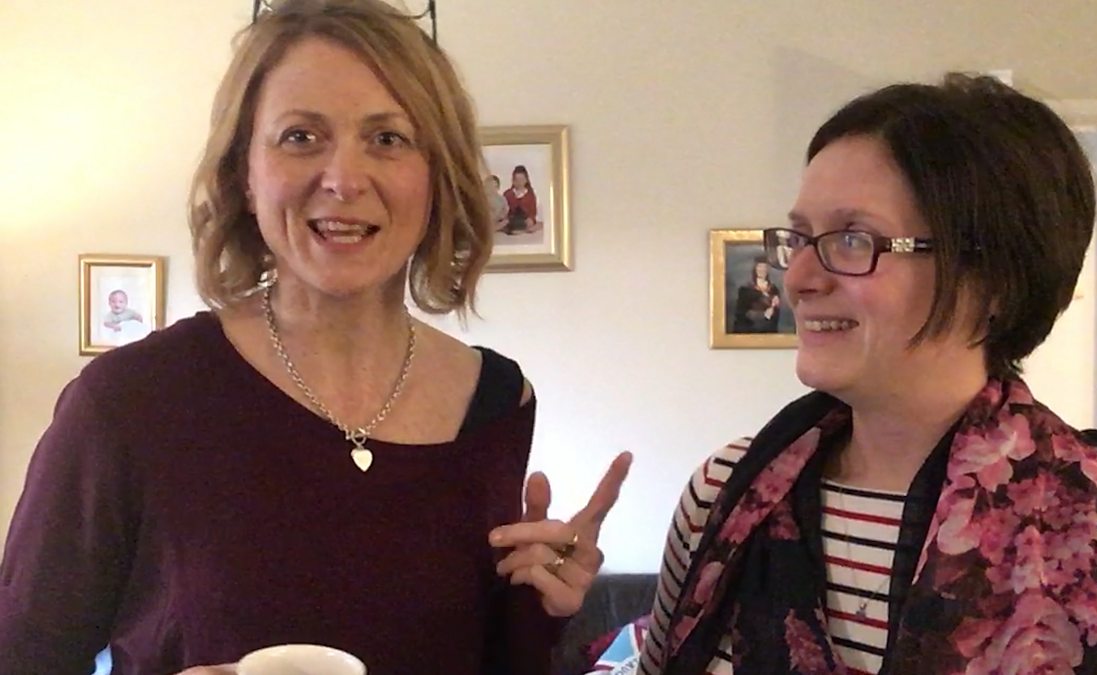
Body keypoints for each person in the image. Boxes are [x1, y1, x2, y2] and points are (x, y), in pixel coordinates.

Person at [0, 1, 630, 673]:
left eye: (387, 138)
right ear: (244, 173)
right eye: (300, 136)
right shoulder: (130, 401)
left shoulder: (498, 402)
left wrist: (540, 610)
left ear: (436, 178)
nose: (344, 179)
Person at [637, 74, 1097, 674]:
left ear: (995, 280)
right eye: (799, 238)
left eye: (854, 239)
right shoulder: (723, 495)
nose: (797, 278)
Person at [731, 257, 783, 333]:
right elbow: (740, 313)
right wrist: (762, 315)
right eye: (759, 267)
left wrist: (776, 305)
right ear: (755, 269)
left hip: (769, 331)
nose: (762, 270)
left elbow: (776, 316)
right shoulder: (745, 290)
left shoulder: (774, 290)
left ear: (768, 270)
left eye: (764, 267)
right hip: (750, 331)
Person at [502, 164, 541, 235]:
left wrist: (530, 218)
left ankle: (524, 230)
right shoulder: (508, 194)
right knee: (505, 223)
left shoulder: (530, 195)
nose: (519, 182)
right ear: (513, 181)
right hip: (511, 218)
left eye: (522, 180)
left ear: (526, 180)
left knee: (532, 223)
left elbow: (533, 212)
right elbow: (503, 209)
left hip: (525, 219)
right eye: (517, 180)